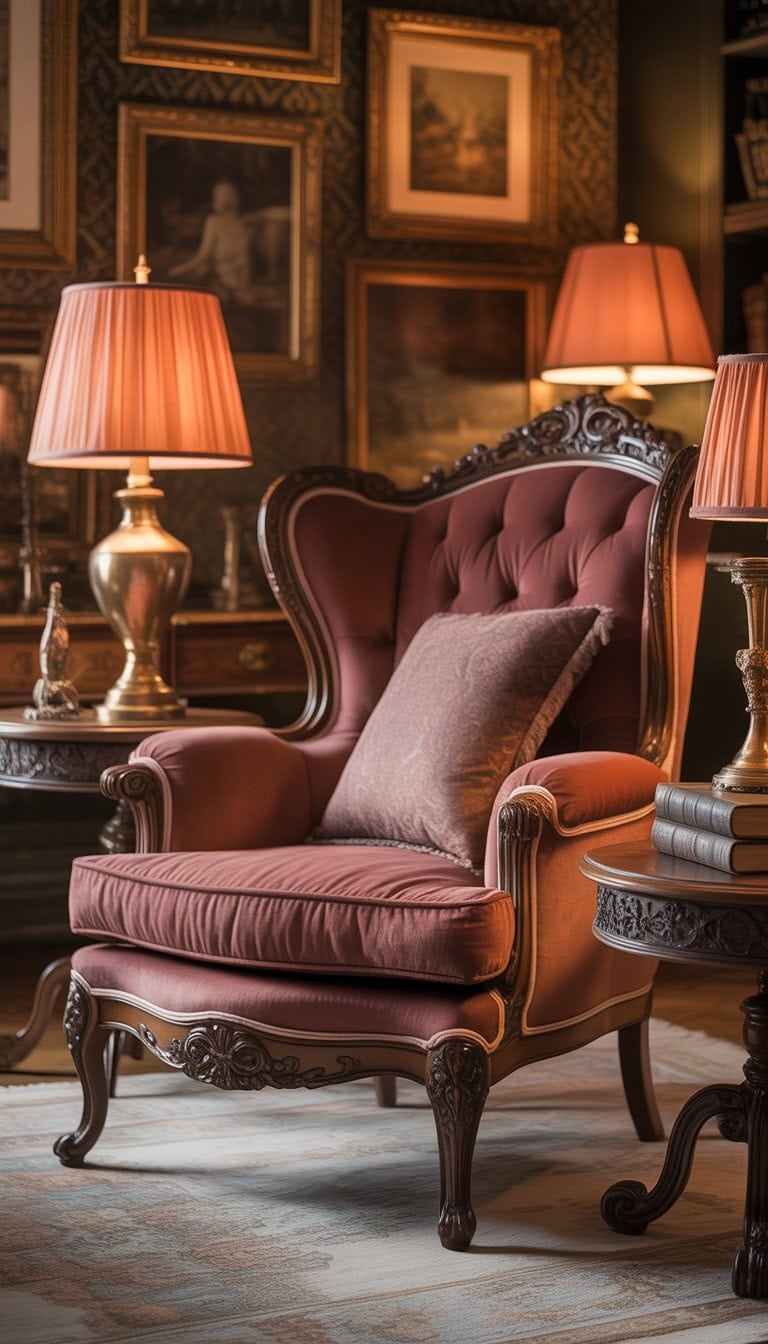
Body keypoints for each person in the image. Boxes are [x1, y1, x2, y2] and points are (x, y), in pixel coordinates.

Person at [169, 180, 288, 307]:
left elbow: (203, 256)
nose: (214, 200)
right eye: (215, 196)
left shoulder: (242, 223)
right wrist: (181, 269)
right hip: (226, 280)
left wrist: (179, 270)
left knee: (261, 298)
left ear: (227, 199)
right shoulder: (215, 222)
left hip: (242, 283)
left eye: (217, 196)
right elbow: (203, 257)